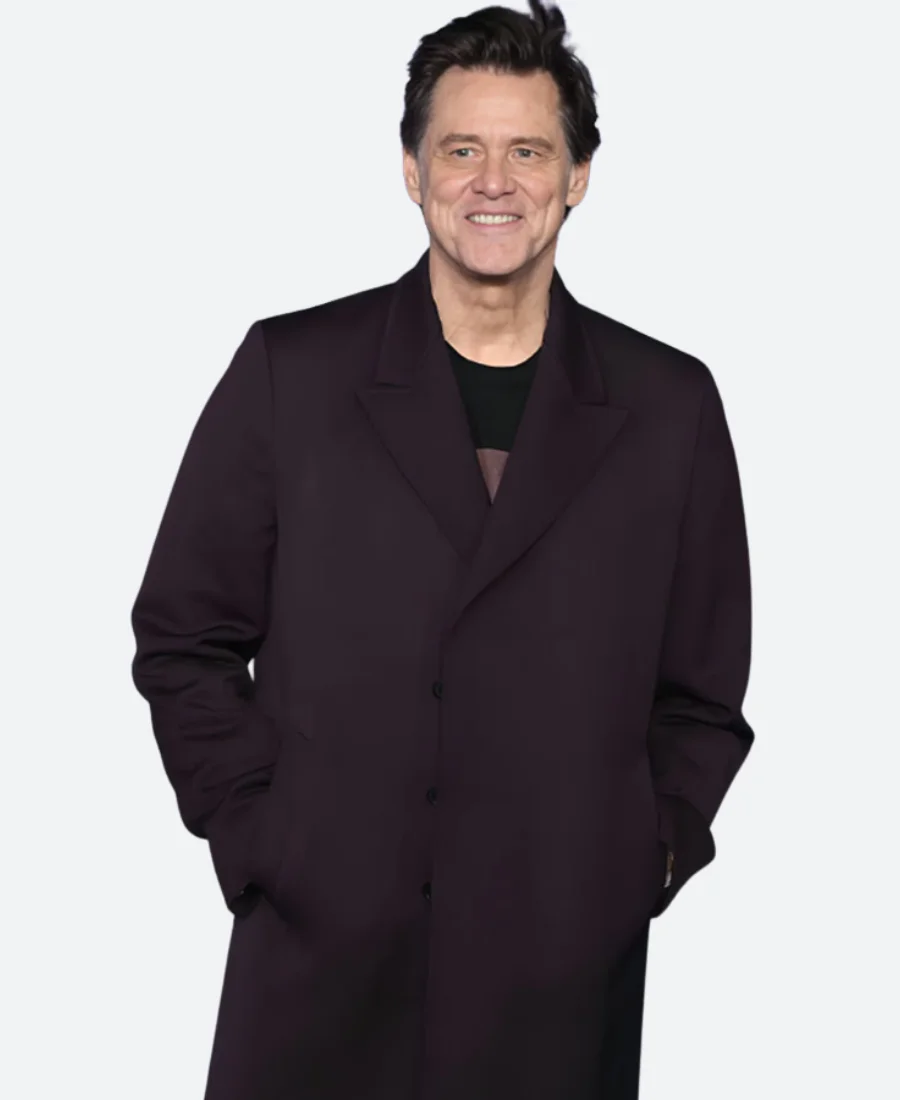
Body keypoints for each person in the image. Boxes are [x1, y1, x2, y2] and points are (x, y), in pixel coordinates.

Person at [130, 2, 755, 1097]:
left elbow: (702, 690)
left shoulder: (669, 406)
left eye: (529, 152)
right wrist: (262, 832)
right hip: (320, 966)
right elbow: (185, 634)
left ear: (580, 176)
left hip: (557, 975)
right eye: (461, 149)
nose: (492, 182)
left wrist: (641, 853)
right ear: (412, 171)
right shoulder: (293, 373)